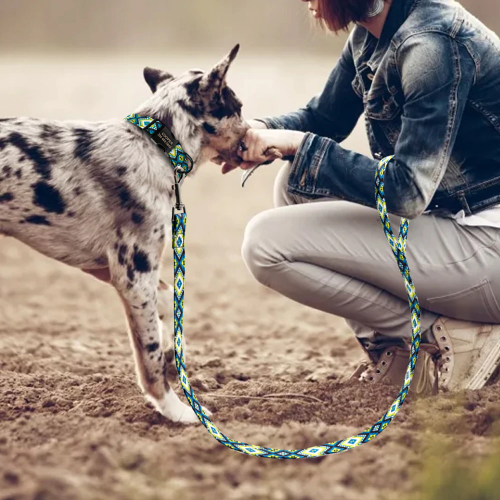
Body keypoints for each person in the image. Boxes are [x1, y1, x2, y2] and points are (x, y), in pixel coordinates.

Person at [221, 0, 500, 395]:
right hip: (456, 228)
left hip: (489, 244)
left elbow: (406, 191)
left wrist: (301, 145)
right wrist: (252, 132)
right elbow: (324, 119)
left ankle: (441, 335)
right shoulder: (373, 34)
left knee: (265, 245)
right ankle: (402, 353)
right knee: (295, 185)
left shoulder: (430, 45)